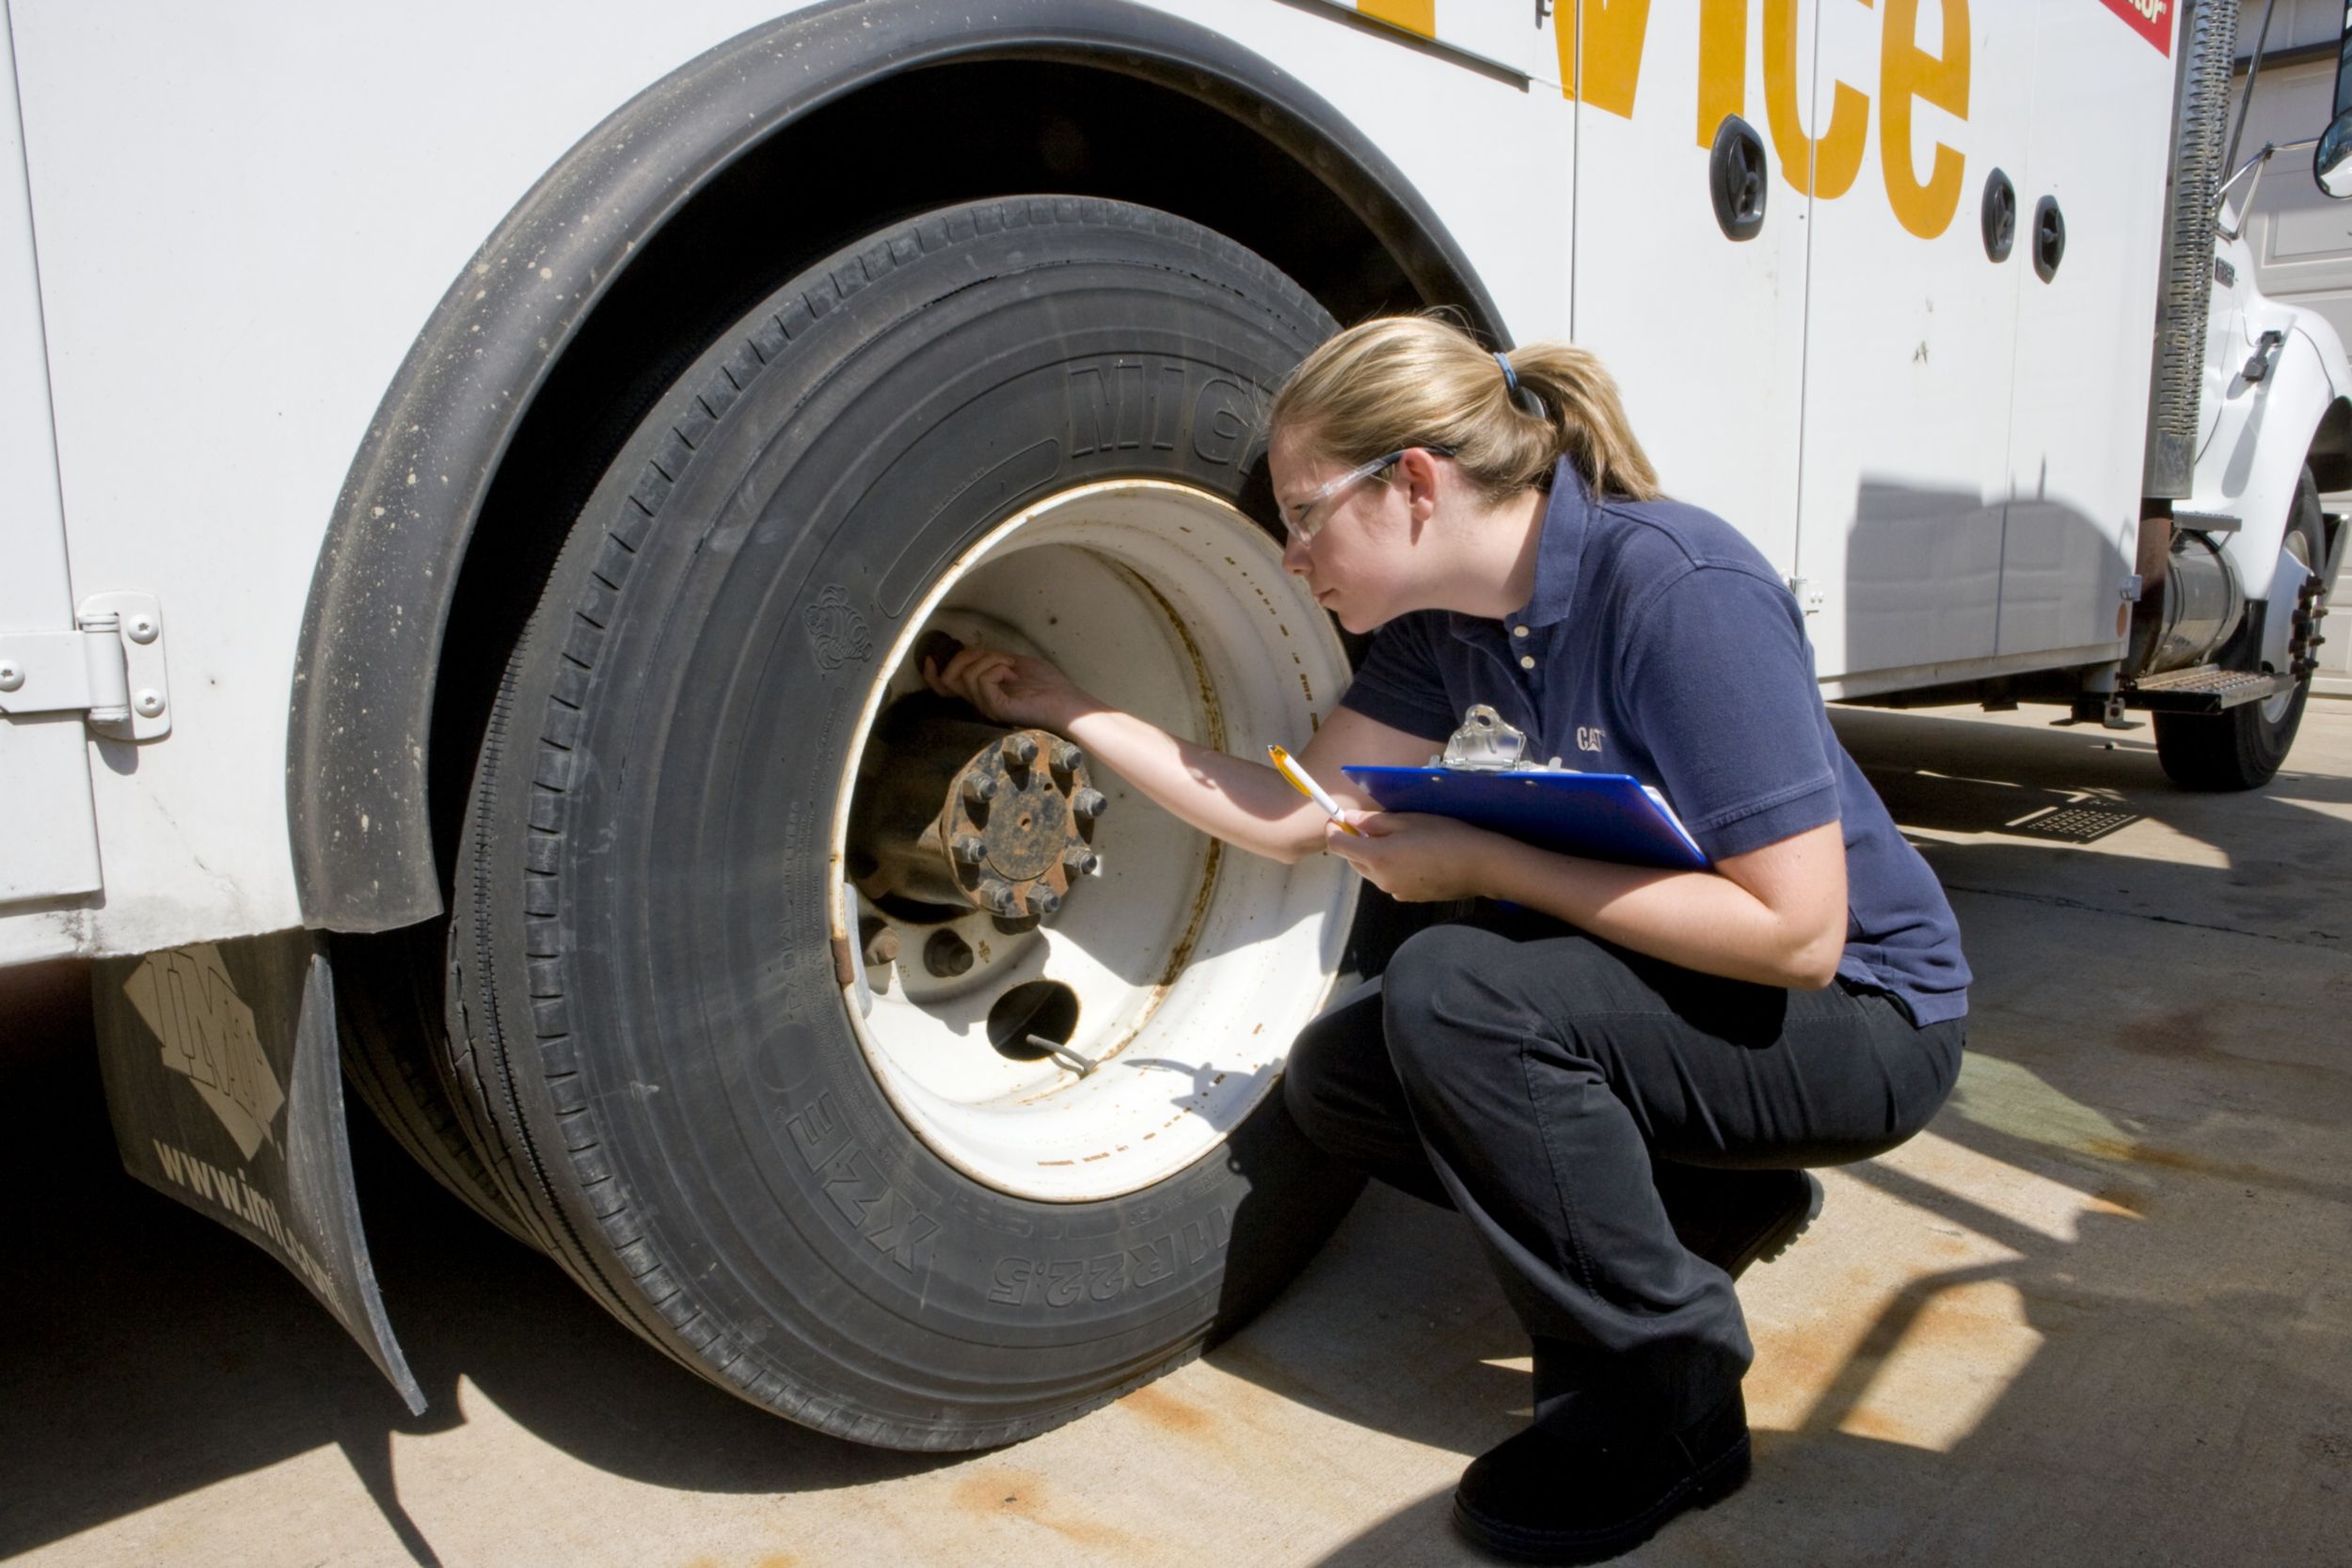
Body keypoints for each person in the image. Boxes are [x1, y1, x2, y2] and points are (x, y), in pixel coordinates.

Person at [926, 314, 1968, 1565]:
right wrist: (1065, 706)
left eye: (1306, 512)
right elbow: (1287, 810)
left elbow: (1798, 935)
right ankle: (1700, 1199)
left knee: (1457, 993)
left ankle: (1666, 1395)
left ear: (1414, 482)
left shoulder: (1679, 592)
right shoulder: (1442, 632)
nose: (1292, 551)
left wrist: (1489, 862)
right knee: (1344, 1082)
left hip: (1861, 1018)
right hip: (1697, 997)